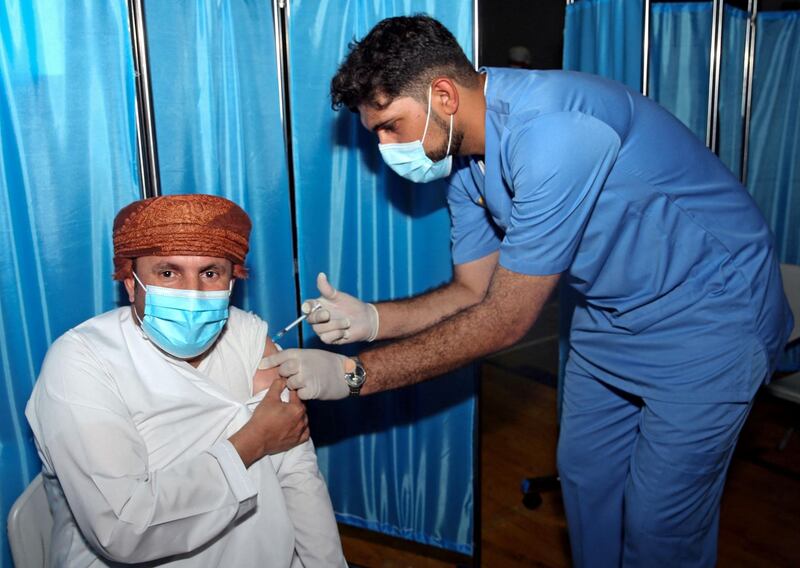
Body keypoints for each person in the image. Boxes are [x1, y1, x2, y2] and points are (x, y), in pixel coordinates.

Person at [261, 15, 795, 568]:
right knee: (587, 481)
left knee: (660, 523)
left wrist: (354, 377)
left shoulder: (556, 134)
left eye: (391, 126)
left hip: (710, 317)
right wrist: (374, 319)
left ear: (443, 95)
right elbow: (473, 289)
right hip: (609, 315)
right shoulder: (465, 162)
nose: (385, 147)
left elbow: (504, 322)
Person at [25, 194, 346, 567]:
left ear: (231, 281)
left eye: (210, 273)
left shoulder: (246, 335)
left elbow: (297, 475)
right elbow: (125, 529)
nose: (191, 293)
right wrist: (253, 441)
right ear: (130, 283)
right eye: (168, 272)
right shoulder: (82, 363)